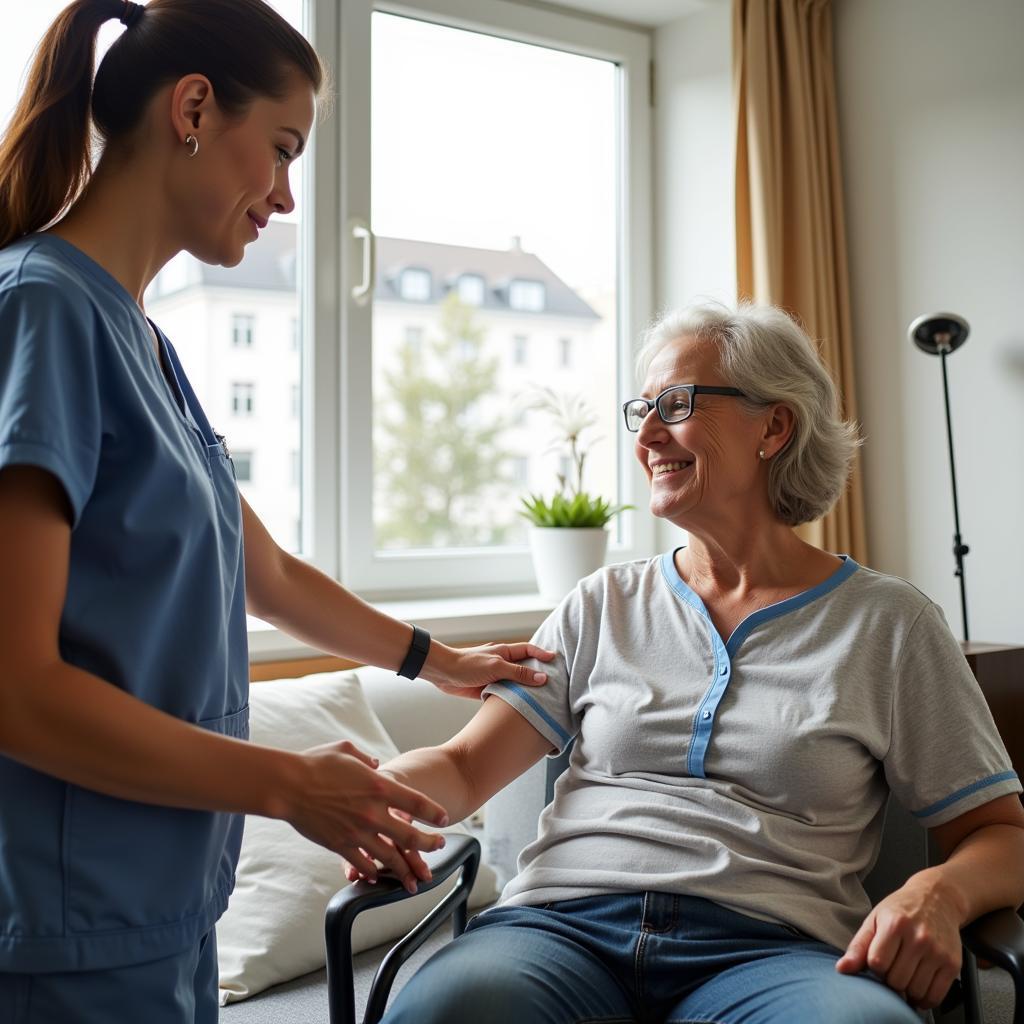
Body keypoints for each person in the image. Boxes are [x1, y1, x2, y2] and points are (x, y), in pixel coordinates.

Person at [0, 2, 553, 1020]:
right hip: (64, 926)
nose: (288, 197)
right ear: (196, 109)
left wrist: (444, 659)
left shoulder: (144, 342)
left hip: (162, 908)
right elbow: (18, 687)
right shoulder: (43, 310)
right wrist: (287, 783)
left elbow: (269, 572)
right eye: (284, 150)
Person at [345, 301, 1024, 1024]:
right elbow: (463, 766)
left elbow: (1002, 834)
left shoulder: (889, 625)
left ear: (775, 425)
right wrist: (378, 794)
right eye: (643, 409)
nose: (646, 435)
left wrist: (940, 893)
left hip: (775, 955)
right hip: (558, 933)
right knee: (450, 1009)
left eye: (676, 403)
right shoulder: (601, 603)